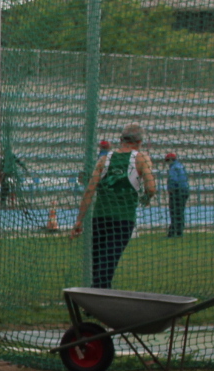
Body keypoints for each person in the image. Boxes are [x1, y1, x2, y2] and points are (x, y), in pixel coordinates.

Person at [74, 123, 155, 288]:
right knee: (109, 261)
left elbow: (89, 191)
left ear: (120, 139)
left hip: (100, 217)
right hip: (123, 218)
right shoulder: (141, 158)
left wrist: (79, 221)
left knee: (98, 262)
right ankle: (99, 295)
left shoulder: (104, 159)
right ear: (139, 142)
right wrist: (146, 198)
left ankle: (96, 294)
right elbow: (151, 188)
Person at [164, 151, 189, 237]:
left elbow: (173, 179)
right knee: (180, 212)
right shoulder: (181, 166)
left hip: (177, 191)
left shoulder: (173, 168)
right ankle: (179, 231)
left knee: (174, 212)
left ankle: (172, 232)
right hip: (185, 190)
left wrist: (170, 189)